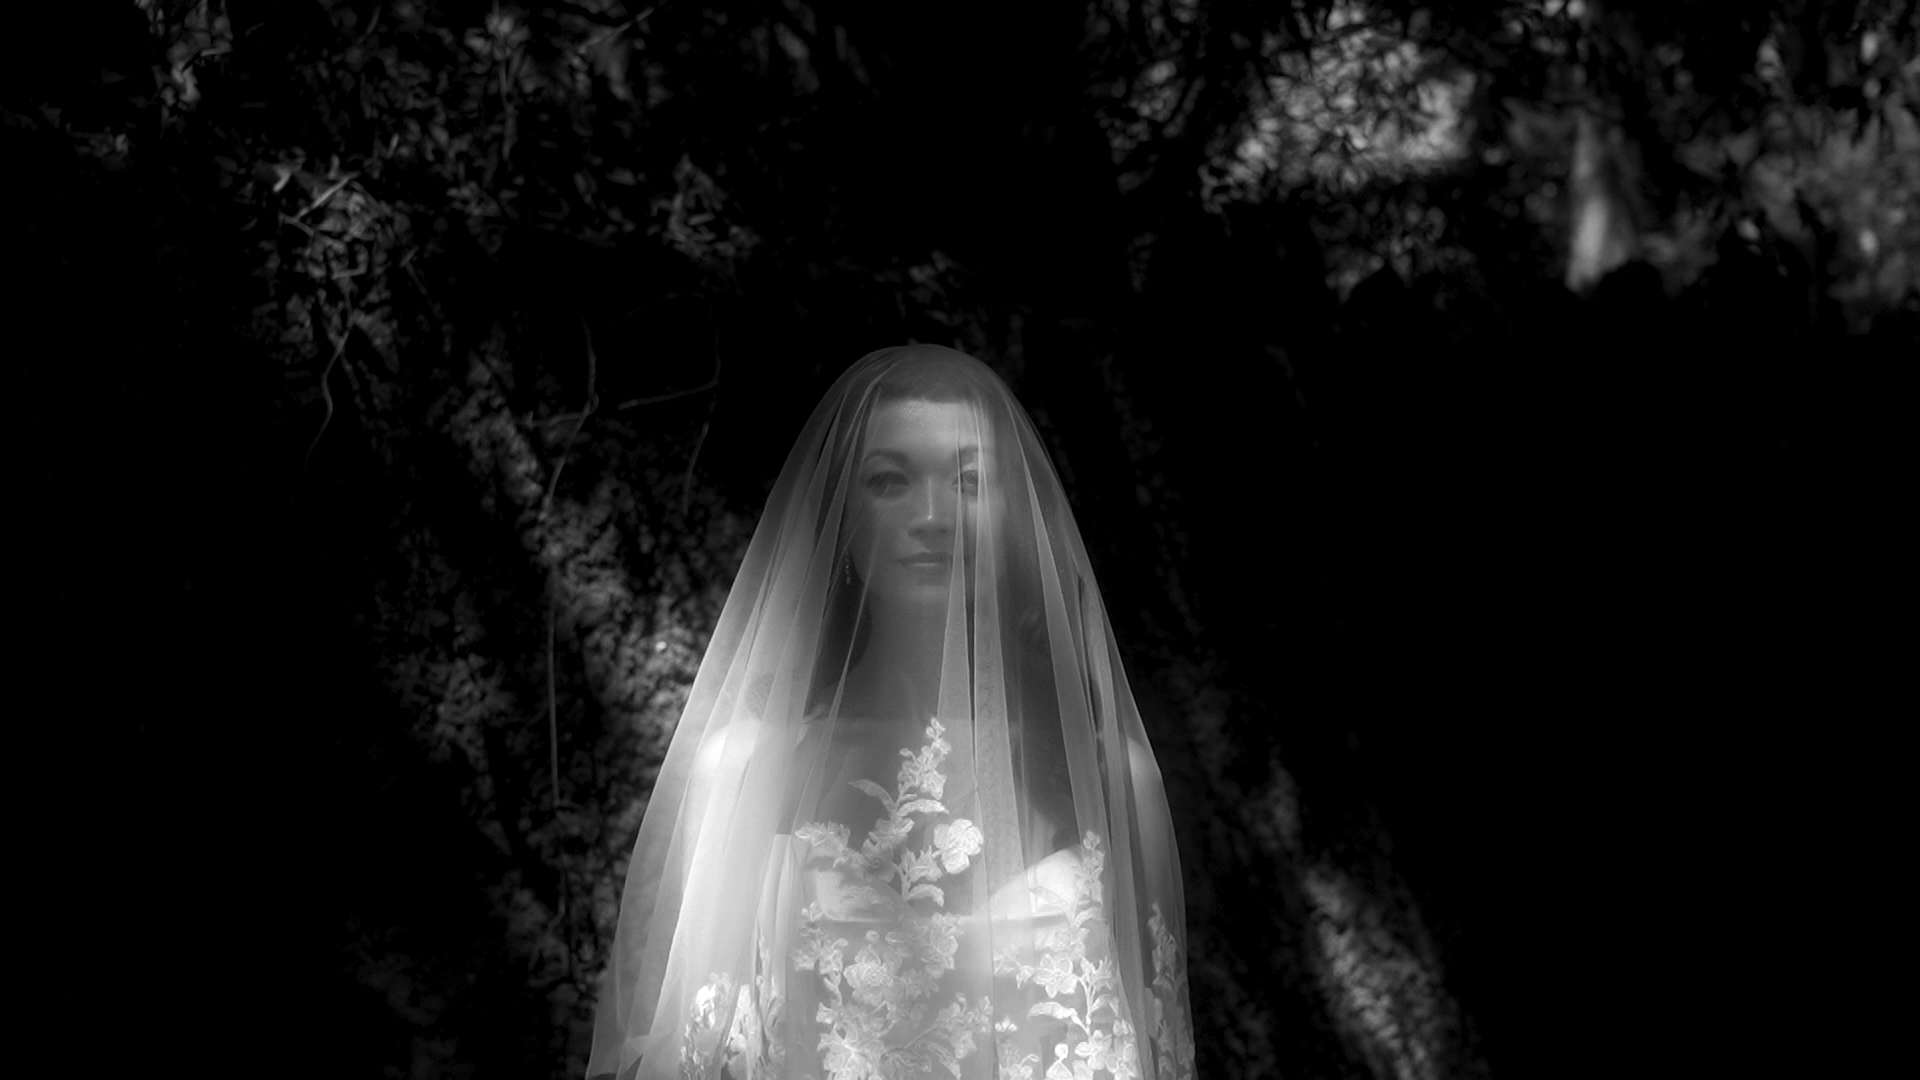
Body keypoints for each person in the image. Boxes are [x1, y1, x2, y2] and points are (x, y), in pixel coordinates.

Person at [589, 346, 1194, 1080]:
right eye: (889, 480)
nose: (934, 516)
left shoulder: (1111, 779)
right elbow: (697, 1051)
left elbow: (1160, 1047)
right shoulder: (747, 771)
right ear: (843, 518)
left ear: (1017, 516)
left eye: (970, 481)